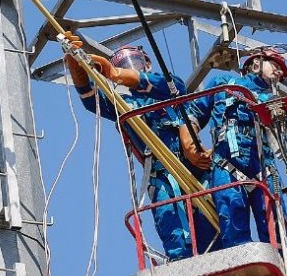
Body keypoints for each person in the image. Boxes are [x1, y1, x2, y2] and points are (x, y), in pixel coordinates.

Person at [62, 33, 213, 260]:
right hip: (160, 173)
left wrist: (118, 74)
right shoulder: (125, 105)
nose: (130, 68)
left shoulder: (170, 88)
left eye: (135, 64)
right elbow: (89, 99)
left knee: (207, 221)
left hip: (192, 168)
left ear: (147, 64)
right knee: (170, 221)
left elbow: (171, 88)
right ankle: (182, 263)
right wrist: (77, 66)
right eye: (123, 66)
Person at [182, 47, 287, 250]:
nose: (279, 73)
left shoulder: (270, 102)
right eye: (275, 66)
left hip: (264, 170)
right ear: (256, 63)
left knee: (275, 225)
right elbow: (192, 115)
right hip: (226, 166)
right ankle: (242, 265)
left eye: (281, 71)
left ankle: (279, 268)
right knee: (232, 216)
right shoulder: (223, 85)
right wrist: (190, 146)